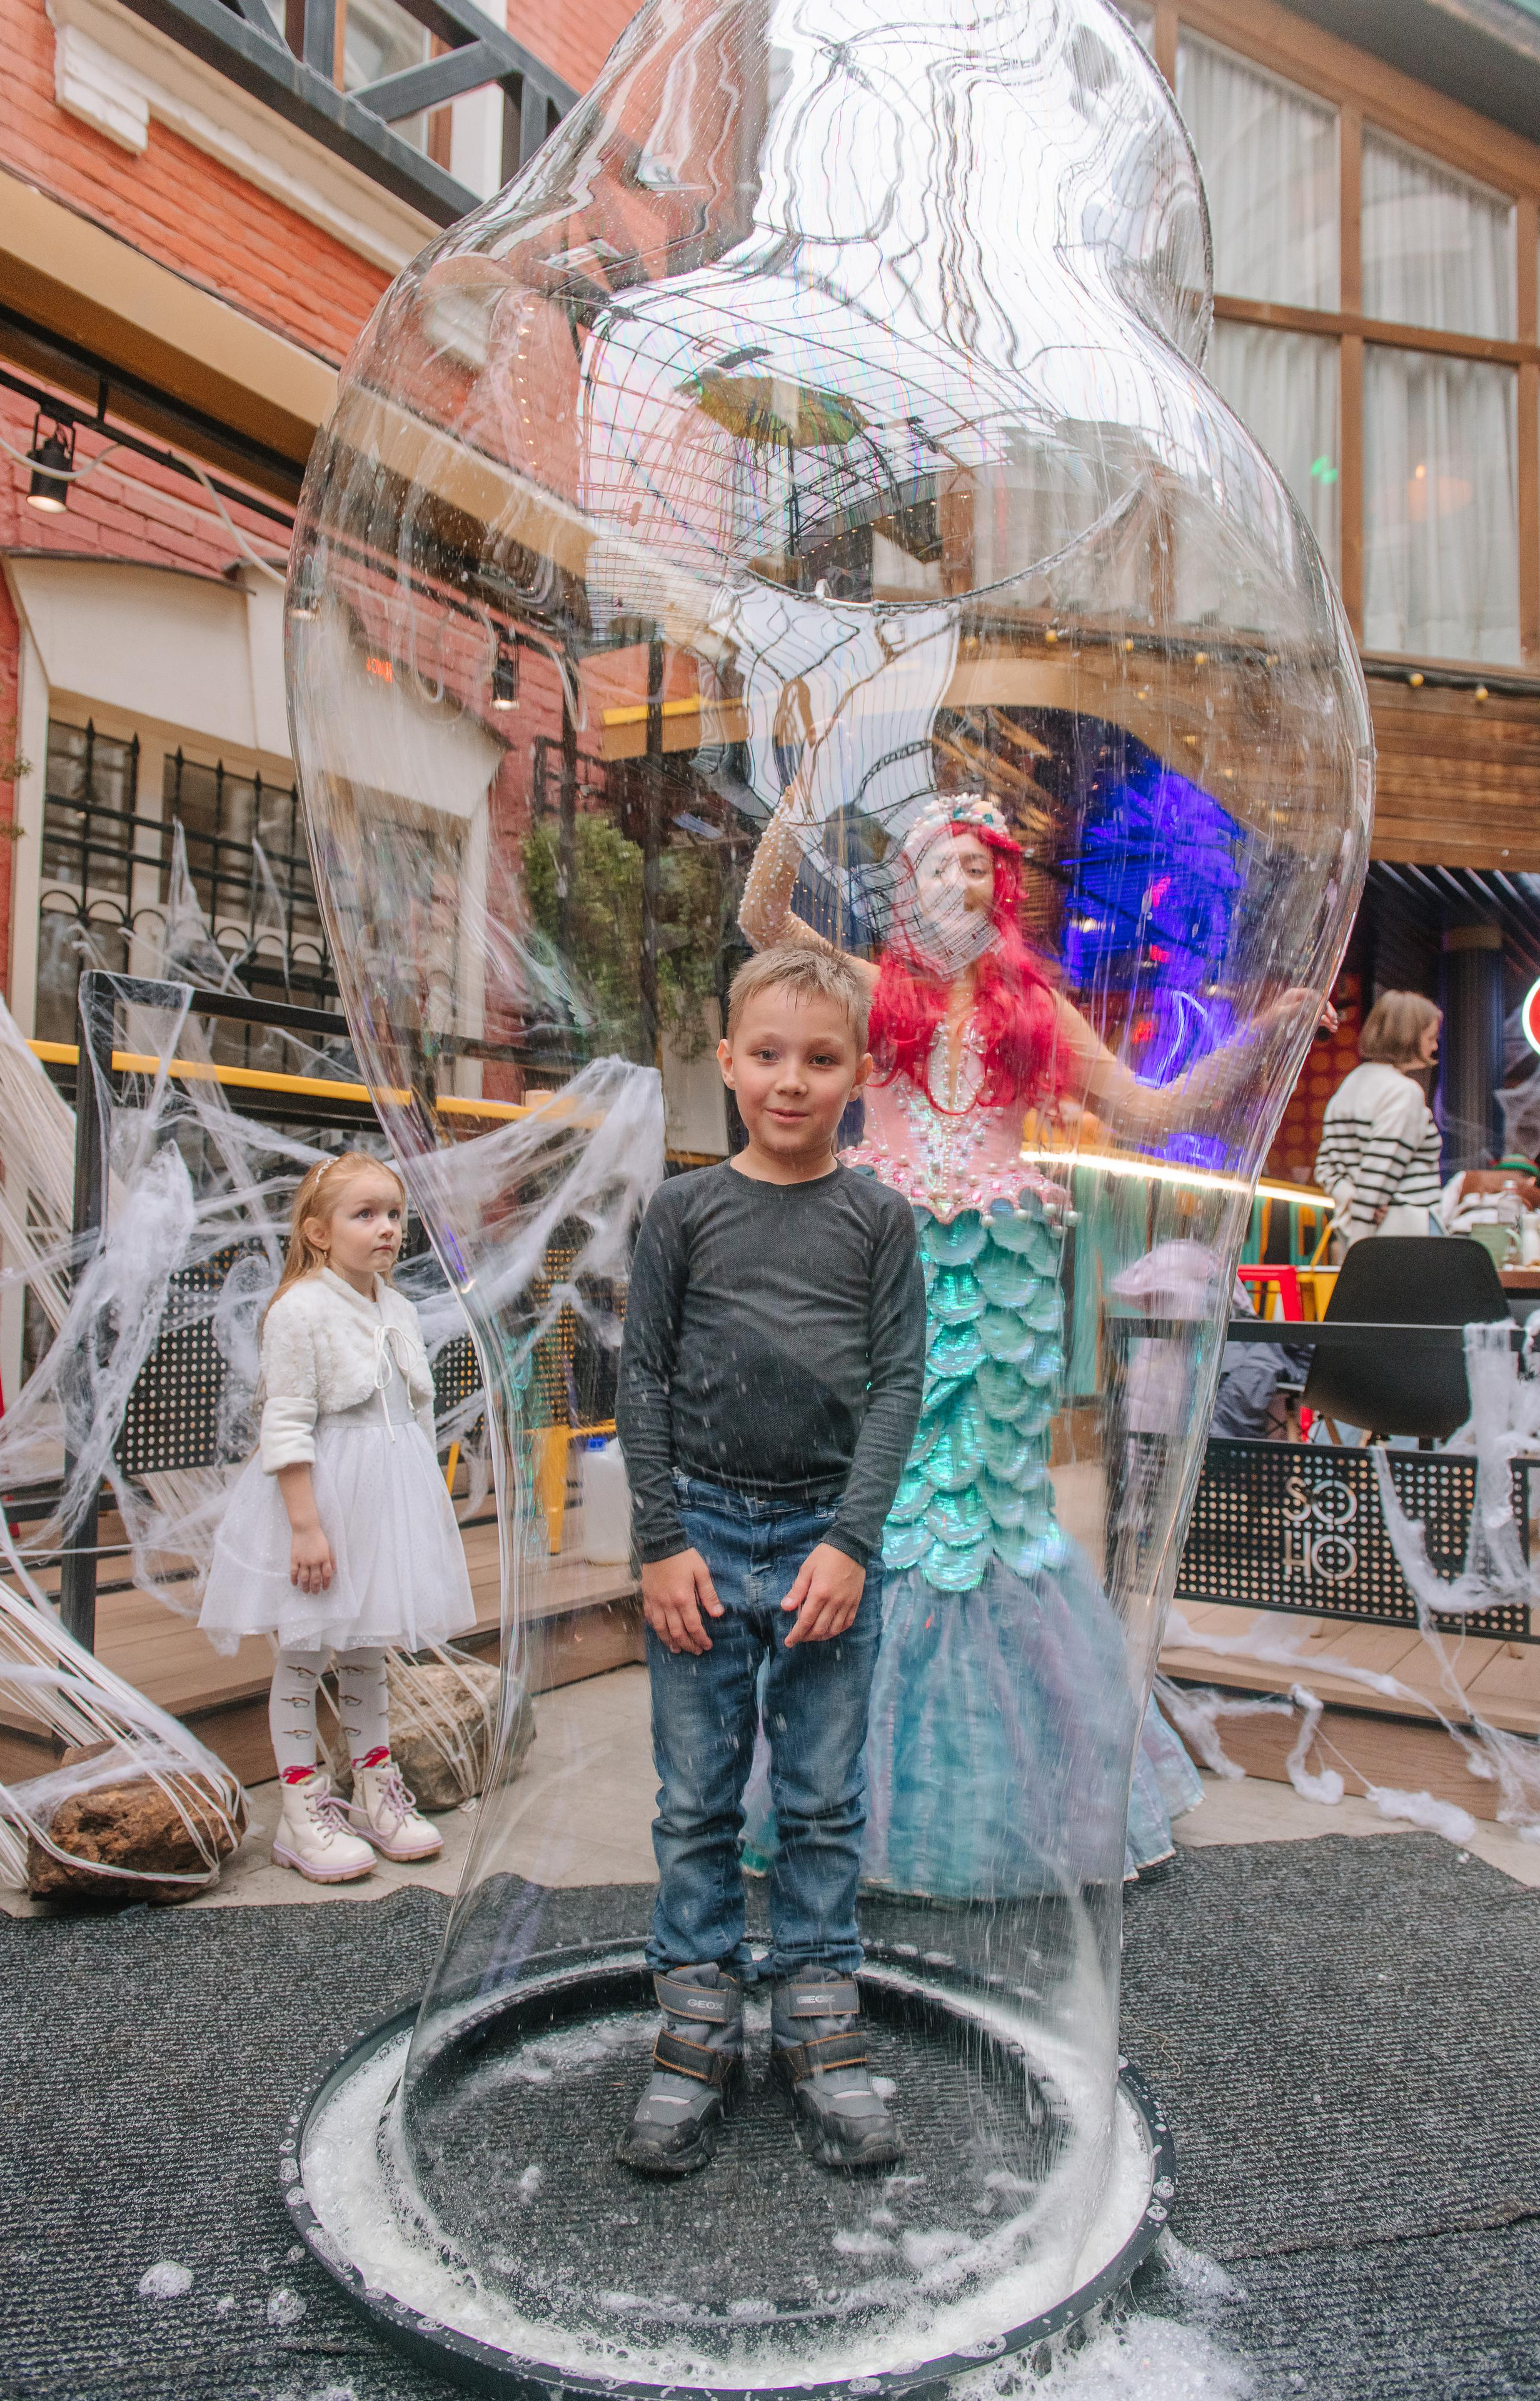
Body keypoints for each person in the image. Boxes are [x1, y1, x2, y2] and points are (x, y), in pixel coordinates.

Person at [736, 785, 1292, 1894]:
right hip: (886, 1263)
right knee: (879, 1504)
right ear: (906, 886)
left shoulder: (1038, 1011)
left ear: (1000, 893)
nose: (961, 885)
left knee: (988, 1516)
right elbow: (762, 917)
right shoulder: (864, 989)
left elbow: (1146, 1108)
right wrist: (796, 795)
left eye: (979, 870)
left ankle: (991, 1800)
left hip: (996, 1278)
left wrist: (1263, 1042)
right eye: (940, 866)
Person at [614, 946, 925, 2178]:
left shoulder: (875, 1218)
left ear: (860, 1071)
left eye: (820, 1058)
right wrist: (658, 1541)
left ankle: (816, 2017)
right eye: (766, 1054)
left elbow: (897, 1381)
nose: (789, 1081)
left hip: (818, 1548)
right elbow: (639, 1379)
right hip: (697, 1534)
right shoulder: (682, 1214)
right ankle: (691, 2022)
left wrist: (851, 1540)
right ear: (725, 1059)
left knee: (819, 1801)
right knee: (693, 1801)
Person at [200, 1152, 475, 1883]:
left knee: (366, 1649)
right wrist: (305, 1525)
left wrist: (420, 1503)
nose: (386, 1228)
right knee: (303, 1653)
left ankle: (375, 1787)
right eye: (365, 1215)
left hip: (386, 1497)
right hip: (322, 1499)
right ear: (319, 1233)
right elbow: (286, 1424)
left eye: (393, 1214)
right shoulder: (301, 1309)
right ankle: (300, 1807)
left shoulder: (399, 1307)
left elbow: (414, 1412)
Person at [1315, 992, 1443, 1247]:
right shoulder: (1404, 1093)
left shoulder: (1349, 1086)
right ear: (1409, 1037)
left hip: (1358, 1229)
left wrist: (1350, 1199)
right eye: (1430, 1037)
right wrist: (1360, 1239)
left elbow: (1325, 1166)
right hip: (1405, 1234)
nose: (1435, 1046)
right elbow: (1380, 1171)